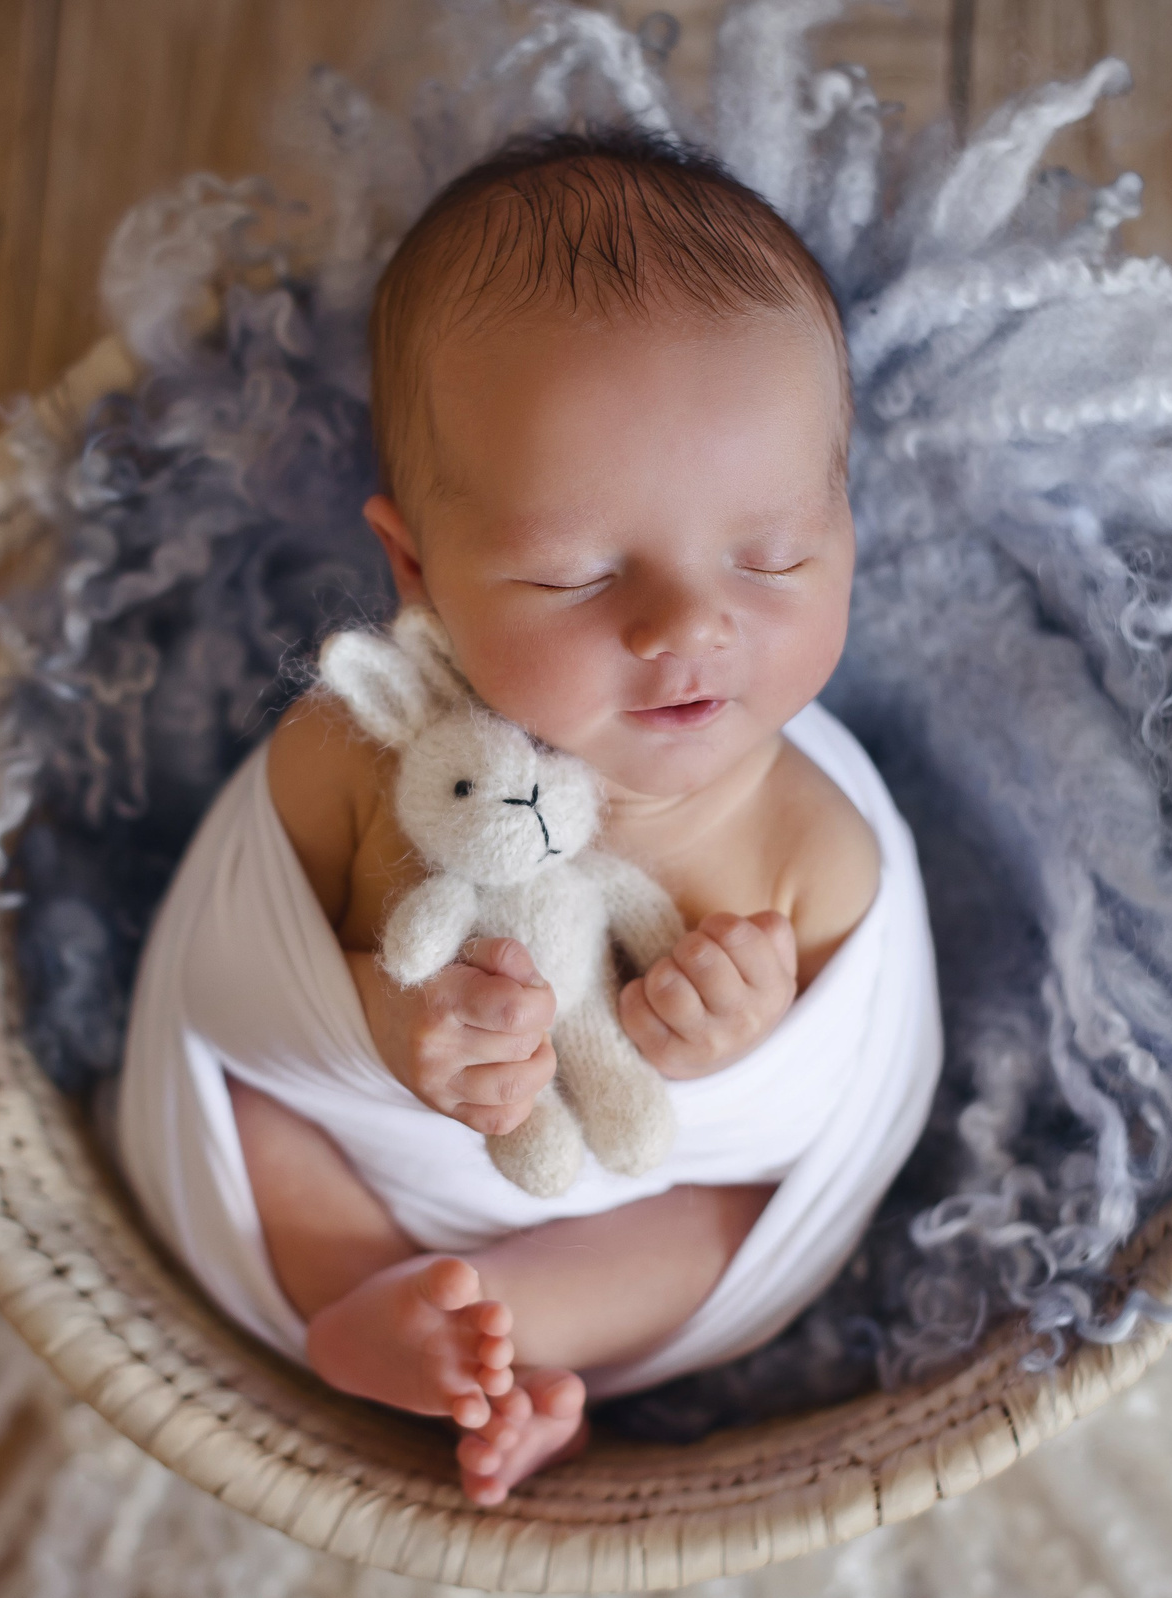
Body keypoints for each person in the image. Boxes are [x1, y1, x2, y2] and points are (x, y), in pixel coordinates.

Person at [115, 127, 941, 1505]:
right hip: (355, 1165)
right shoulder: (357, 752)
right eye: (577, 576)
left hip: (621, 1218)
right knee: (255, 1125)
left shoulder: (810, 842)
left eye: (774, 555)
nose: (689, 626)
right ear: (416, 569)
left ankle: (504, 1338)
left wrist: (726, 1032)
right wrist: (387, 1024)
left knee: (719, 1221)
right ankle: (375, 1320)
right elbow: (236, 974)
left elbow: (811, 1103)